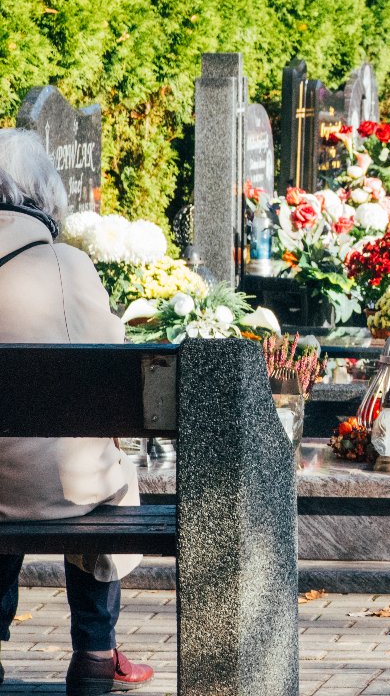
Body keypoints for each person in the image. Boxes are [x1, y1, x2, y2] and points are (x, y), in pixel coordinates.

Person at [0, 130, 155, 693]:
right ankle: (94, 649)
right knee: (93, 478)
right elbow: (111, 359)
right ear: (44, 193)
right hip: (68, 486)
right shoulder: (67, 264)